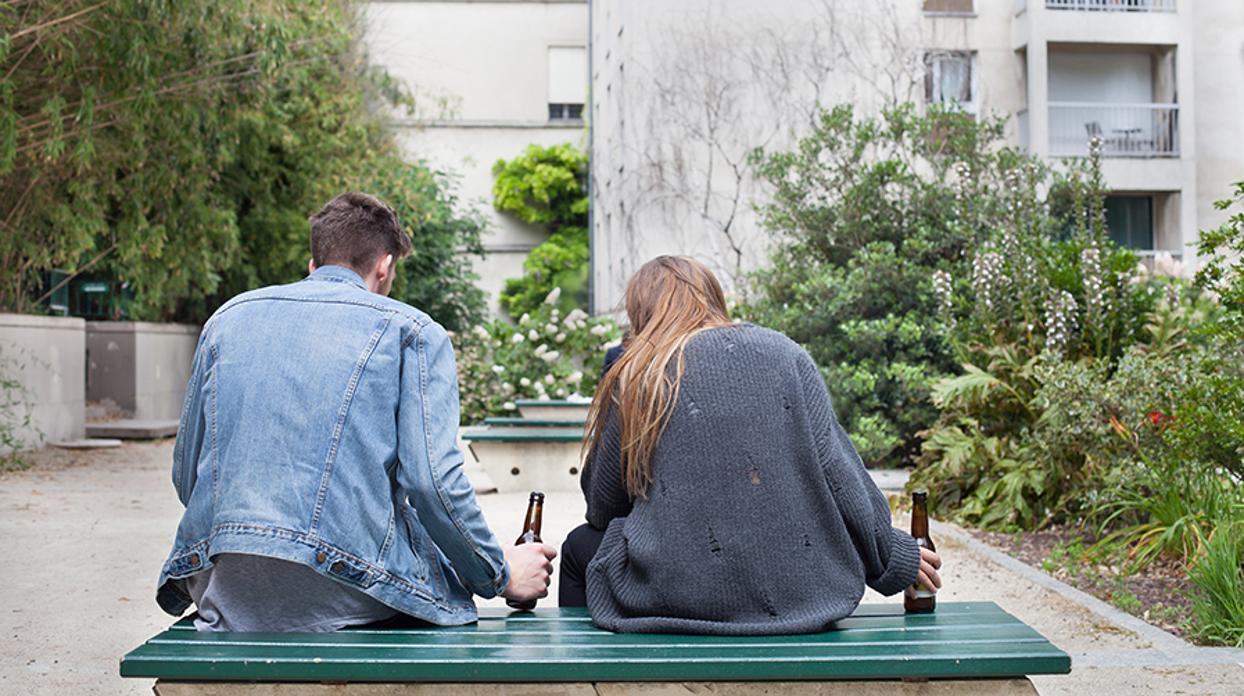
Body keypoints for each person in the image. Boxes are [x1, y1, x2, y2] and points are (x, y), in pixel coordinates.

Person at [156, 192, 556, 632]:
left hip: (228, 588)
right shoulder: (413, 332)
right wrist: (500, 574)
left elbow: (186, 477)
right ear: (384, 266)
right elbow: (432, 484)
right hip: (347, 593)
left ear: (314, 265)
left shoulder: (226, 320)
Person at [558, 255, 942, 634]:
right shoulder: (785, 353)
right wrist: (892, 558)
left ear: (640, 313)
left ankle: (587, 675)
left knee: (579, 546)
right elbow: (839, 475)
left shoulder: (639, 374)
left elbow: (603, 507)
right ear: (712, 298)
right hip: (802, 596)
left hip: (677, 594)